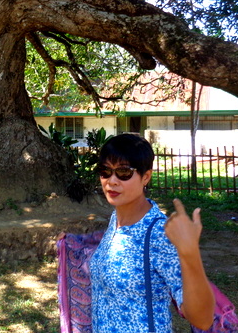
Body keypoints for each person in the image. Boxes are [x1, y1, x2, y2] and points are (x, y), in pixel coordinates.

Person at [88, 133, 215, 333]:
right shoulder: (116, 219)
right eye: (105, 171)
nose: (111, 181)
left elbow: (203, 319)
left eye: (123, 172)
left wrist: (190, 253)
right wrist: (71, 244)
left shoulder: (160, 234)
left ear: (145, 176)